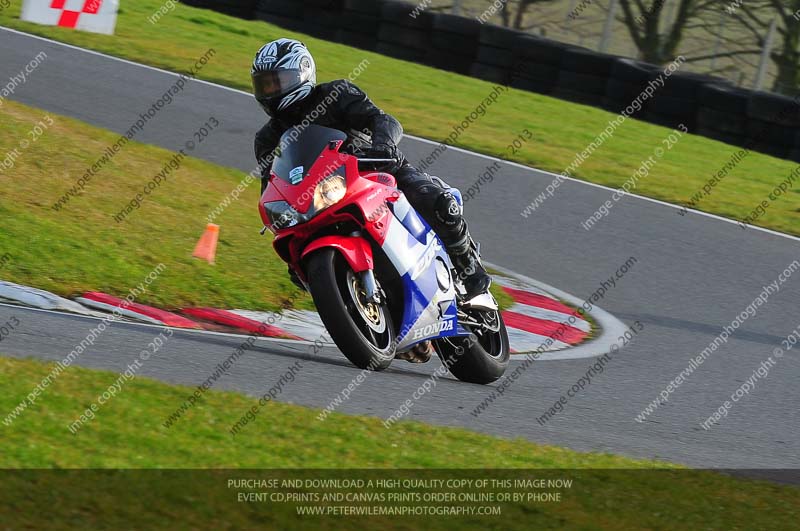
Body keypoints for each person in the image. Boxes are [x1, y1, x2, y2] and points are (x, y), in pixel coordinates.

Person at [252, 38, 491, 299]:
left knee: (437, 202)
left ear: (302, 73)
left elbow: (383, 120)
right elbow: (272, 183)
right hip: (321, 198)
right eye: (264, 84)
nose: (270, 91)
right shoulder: (267, 138)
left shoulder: (336, 94)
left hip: (375, 171)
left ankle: (468, 266)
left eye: (277, 81)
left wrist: (383, 146)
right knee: (295, 261)